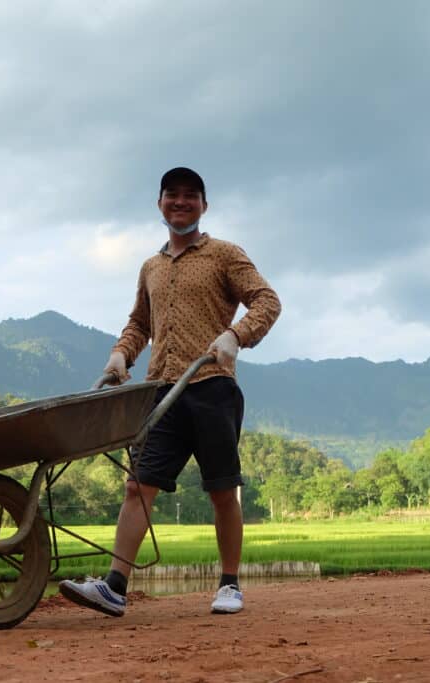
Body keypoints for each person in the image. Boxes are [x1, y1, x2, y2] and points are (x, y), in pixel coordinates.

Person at [59, 167, 281, 616]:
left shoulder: (224, 254)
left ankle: (230, 585)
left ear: (204, 205)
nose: (181, 202)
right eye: (172, 195)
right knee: (137, 487)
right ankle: (115, 587)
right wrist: (122, 354)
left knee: (222, 489)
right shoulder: (151, 267)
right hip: (162, 393)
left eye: (191, 196)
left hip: (210, 386)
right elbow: (140, 324)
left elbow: (267, 301)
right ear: (160, 203)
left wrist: (236, 336)